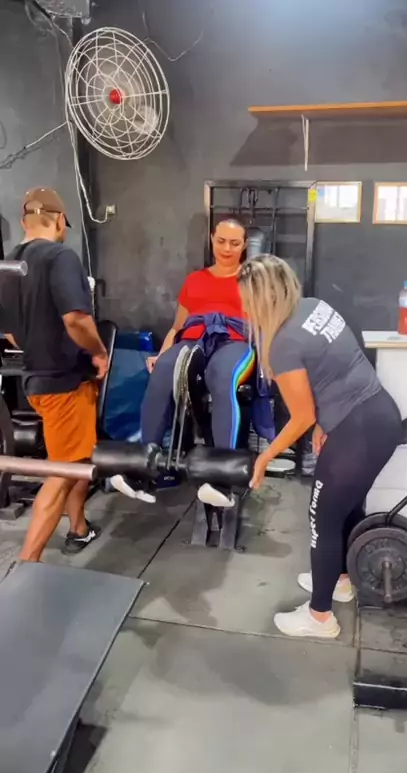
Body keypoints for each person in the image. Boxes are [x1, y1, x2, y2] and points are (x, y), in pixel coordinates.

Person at [238, 254, 403, 640]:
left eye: (247, 301)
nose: (244, 310)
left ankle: (320, 617)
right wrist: (325, 422)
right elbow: (335, 369)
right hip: (379, 415)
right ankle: (340, 579)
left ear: (264, 298)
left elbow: (301, 416)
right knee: (346, 507)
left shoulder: (283, 343)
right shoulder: (315, 307)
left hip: (356, 431)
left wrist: (264, 456)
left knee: (322, 519)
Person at [111, 217, 258, 507]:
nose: (226, 248)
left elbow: (267, 324)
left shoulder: (253, 280)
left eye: (234, 243)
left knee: (222, 376)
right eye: (221, 241)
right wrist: (161, 354)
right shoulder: (195, 280)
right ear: (212, 239)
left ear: (244, 246)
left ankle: (222, 479)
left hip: (235, 341)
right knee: (163, 372)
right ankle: (144, 472)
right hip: (194, 340)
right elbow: (177, 328)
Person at [0, 187, 109, 562]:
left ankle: (79, 527)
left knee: (74, 458)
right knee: (60, 473)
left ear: (23, 221)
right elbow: (76, 318)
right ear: (60, 220)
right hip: (64, 383)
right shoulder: (61, 256)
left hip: (35, 381)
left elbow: (10, 333)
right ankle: (27, 564)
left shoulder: (11, 263)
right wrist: (98, 352)